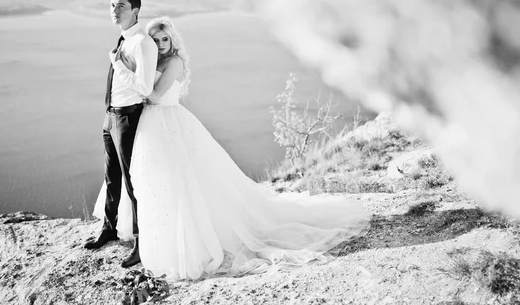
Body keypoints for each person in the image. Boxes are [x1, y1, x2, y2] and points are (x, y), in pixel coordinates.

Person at [94, 16, 370, 279]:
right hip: (151, 125)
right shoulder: (155, 58)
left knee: (183, 182)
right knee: (155, 183)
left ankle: (186, 240)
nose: (160, 43)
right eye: (155, 39)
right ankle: (154, 236)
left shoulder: (175, 62)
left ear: (173, 40)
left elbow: (153, 94)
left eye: (164, 38)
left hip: (169, 123)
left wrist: (122, 68)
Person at [84, 0, 158, 269]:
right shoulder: (124, 39)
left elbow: (145, 88)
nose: (115, 10)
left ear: (136, 10)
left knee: (132, 181)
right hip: (111, 116)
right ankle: (108, 229)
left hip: (128, 118)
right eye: (112, 5)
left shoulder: (143, 43)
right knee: (111, 177)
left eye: (121, 6)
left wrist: (117, 64)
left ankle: (141, 243)